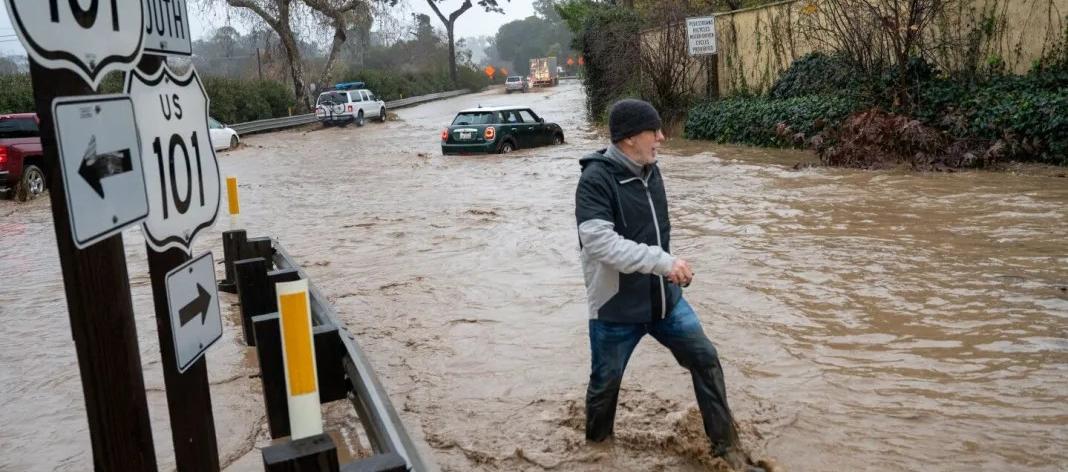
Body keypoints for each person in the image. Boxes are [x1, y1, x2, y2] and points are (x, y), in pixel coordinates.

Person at [574, 99, 759, 471]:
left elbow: (654, 232)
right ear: (628, 138)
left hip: (664, 303)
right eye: (653, 130)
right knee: (605, 385)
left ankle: (727, 450)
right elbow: (599, 243)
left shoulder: (650, 169)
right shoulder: (595, 179)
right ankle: (597, 453)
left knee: (705, 360)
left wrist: (670, 267)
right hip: (615, 309)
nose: (662, 137)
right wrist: (664, 262)